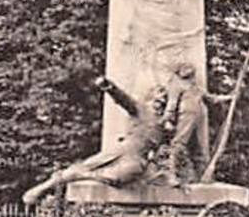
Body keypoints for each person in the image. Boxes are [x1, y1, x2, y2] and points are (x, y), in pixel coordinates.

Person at [22, 76, 167, 204]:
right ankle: (43, 187)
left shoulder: (164, 125)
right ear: (149, 99)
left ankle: (81, 176)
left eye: (163, 101)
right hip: (123, 149)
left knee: (122, 175)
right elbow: (124, 99)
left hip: (138, 158)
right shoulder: (140, 109)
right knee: (88, 164)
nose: (160, 102)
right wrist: (109, 87)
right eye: (157, 98)